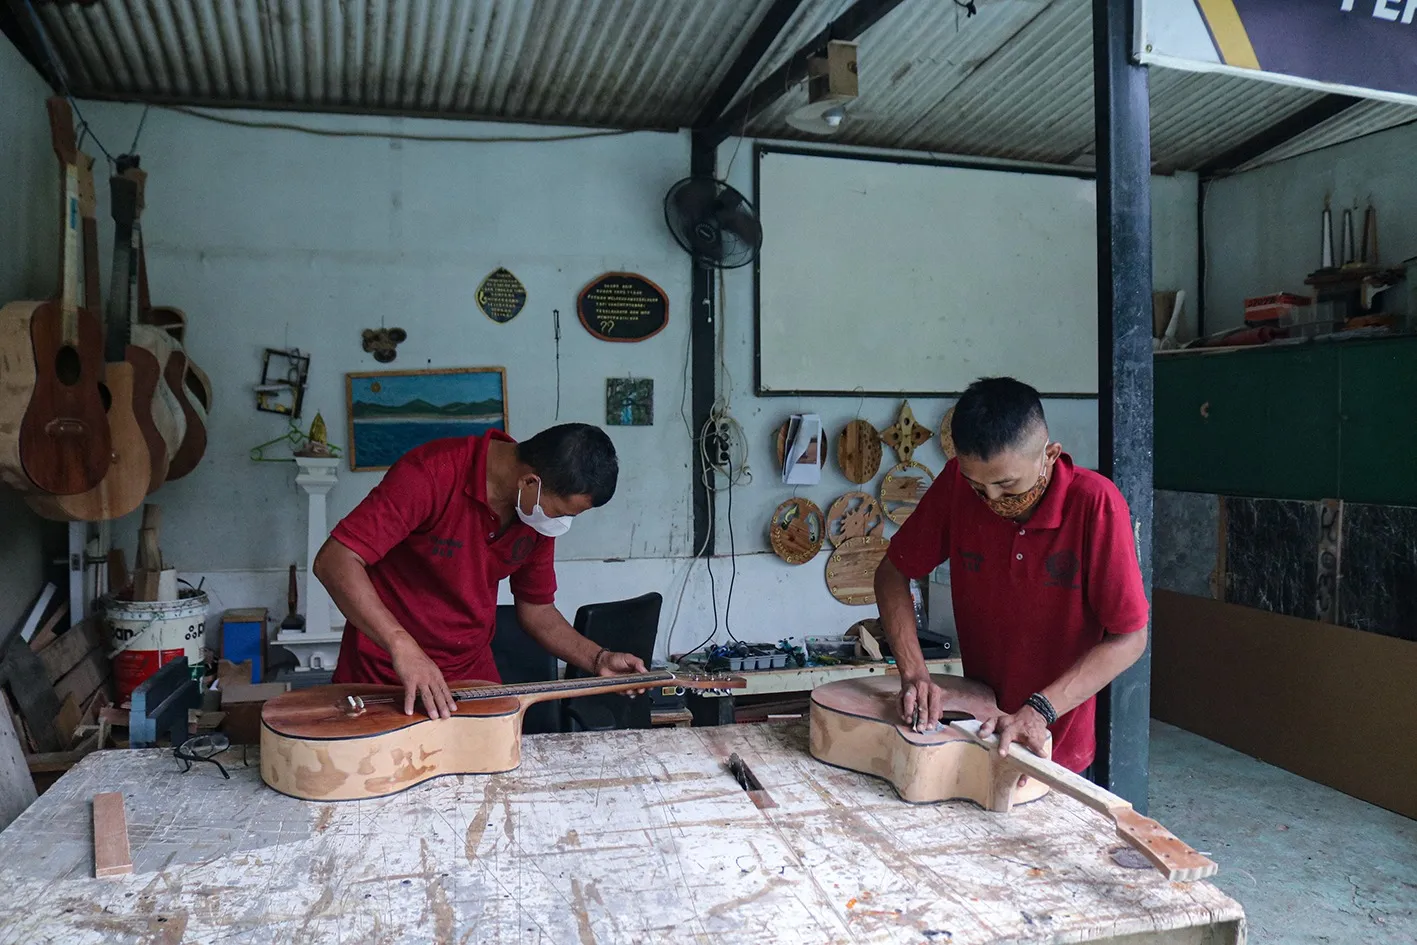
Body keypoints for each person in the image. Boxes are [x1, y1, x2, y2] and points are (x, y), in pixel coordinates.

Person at [874, 377, 1149, 774]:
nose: (992, 500)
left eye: (1006, 484)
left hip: (1054, 743)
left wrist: (1040, 709)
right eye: (978, 486)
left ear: (1050, 455)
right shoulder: (956, 484)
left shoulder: (1096, 504)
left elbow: (1130, 637)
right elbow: (892, 573)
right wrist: (915, 673)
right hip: (975, 728)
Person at [315, 423, 647, 718]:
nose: (560, 523)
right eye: (560, 513)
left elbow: (538, 611)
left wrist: (598, 659)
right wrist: (401, 645)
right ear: (530, 481)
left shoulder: (533, 513)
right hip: (383, 672)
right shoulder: (431, 473)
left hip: (470, 678)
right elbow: (335, 560)